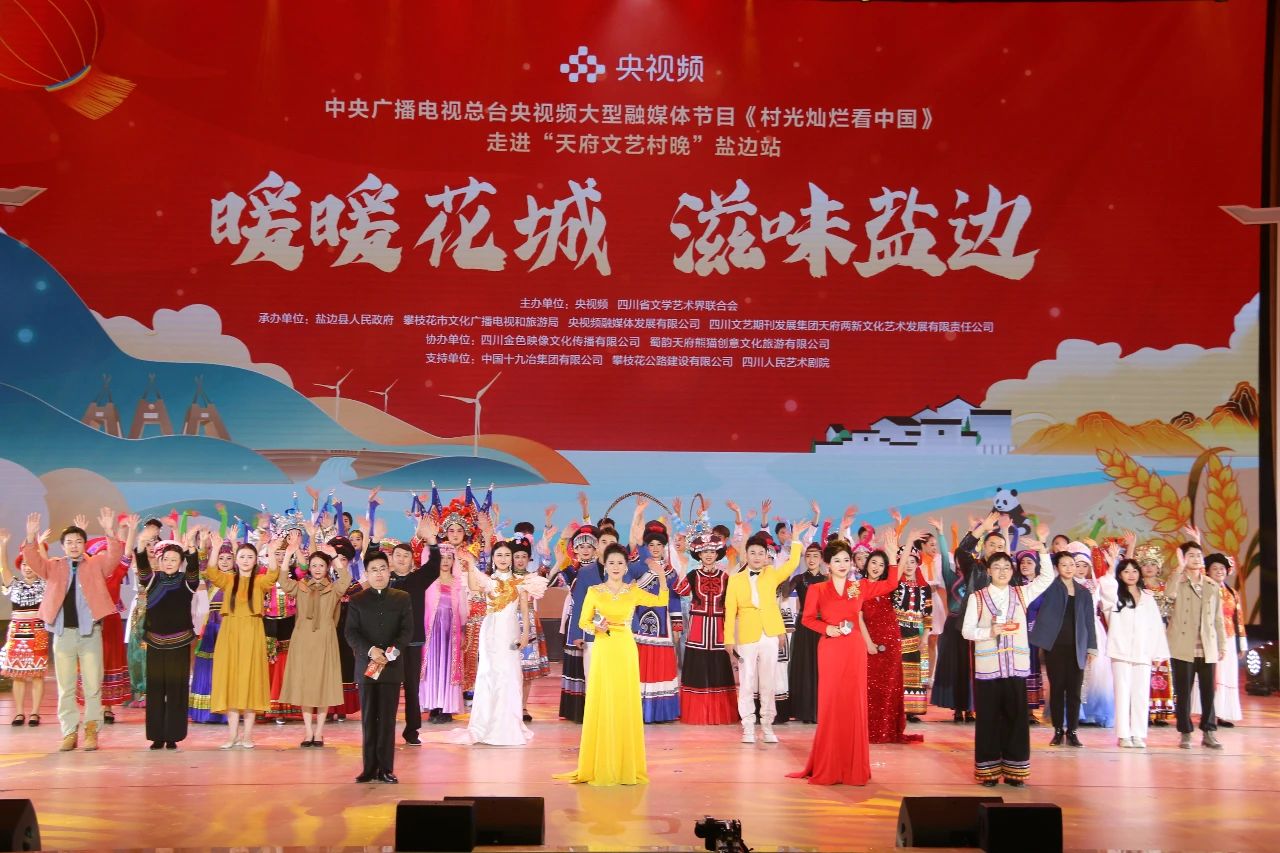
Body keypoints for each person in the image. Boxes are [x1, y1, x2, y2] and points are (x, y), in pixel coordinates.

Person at [555, 542, 673, 785]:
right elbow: (583, 622)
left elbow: (661, 600)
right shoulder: (595, 591)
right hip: (603, 647)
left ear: (626, 566)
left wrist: (661, 576)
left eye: (620, 562)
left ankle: (625, 763)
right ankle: (601, 760)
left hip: (626, 647)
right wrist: (596, 627)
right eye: (611, 563)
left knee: (624, 699)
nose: (616, 566)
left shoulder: (632, 591)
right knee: (604, 698)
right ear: (605, 566)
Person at [788, 536, 901, 786]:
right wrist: (827, 629)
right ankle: (829, 764)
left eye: (846, 560)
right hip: (830, 648)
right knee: (831, 703)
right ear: (828, 564)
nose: (842, 564)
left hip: (854, 649)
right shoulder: (818, 589)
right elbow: (807, 619)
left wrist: (893, 557)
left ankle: (853, 766)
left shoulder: (857, 587)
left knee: (853, 704)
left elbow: (891, 583)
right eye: (837, 560)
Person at [21, 508, 123, 752]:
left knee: (92, 686)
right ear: (63, 546)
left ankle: (91, 730)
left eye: (78, 541)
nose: (74, 545)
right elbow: (33, 561)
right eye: (69, 542)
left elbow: (114, 557)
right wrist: (31, 537)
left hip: (90, 634)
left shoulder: (96, 564)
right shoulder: (54, 566)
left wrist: (109, 531)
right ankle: (69, 732)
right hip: (63, 634)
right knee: (65, 687)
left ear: (84, 544)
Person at [962, 548, 1055, 786]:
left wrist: (1043, 549)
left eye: (1006, 567)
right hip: (989, 668)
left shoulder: (1022, 593)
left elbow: (1047, 578)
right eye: (997, 567)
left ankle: (1016, 771)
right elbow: (967, 631)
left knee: (1017, 719)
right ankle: (989, 771)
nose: (1002, 572)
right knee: (988, 720)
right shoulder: (977, 598)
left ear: (1012, 571)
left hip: (1015, 667)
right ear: (988, 571)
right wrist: (989, 631)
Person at [724, 523, 808, 744]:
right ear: (746, 555)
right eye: (753, 552)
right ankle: (748, 726)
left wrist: (795, 538)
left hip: (770, 633)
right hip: (746, 634)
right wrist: (728, 640)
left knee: (768, 681)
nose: (757, 556)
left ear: (766, 556)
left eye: (761, 553)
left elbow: (792, 564)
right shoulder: (735, 579)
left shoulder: (771, 574)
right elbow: (730, 610)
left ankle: (768, 725)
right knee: (747, 681)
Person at [456, 541, 545, 746]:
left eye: (506, 555)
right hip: (490, 632)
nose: (503, 559)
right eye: (499, 555)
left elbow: (524, 609)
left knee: (510, 675)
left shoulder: (520, 581)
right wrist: (471, 565)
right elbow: (473, 587)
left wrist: (525, 634)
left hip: (510, 632)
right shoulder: (488, 580)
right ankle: (485, 725)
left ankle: (508, 725)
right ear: (493, 558)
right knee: (489, 674)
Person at [203, 541, 279, 749]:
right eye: (242, 557)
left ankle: (247, 736)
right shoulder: (228, 579)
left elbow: (273, 574)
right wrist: (215, 548)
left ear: (255, 561)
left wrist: (272, 551)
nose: (246, 561)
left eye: (250, 557)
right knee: (230, 680)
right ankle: (232, 735)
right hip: (230, 632)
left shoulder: (260, 581)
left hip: (252, 632)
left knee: (251, 679)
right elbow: (212, 572)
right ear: (236, 560)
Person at [345, 551, 413, 783]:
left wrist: (392, 652)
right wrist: (371, 650)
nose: (379, 574)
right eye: (374, 570)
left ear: (389, 570)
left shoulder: (402, 598)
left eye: (383, 568)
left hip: (391, 667)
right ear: (367, 573)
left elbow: (407, 630)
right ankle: (368, 768)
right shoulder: (357, 600)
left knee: (387, 720)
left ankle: (385, 768)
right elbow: (351, 633)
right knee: (368, 719)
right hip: (367, 667)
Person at [278, 548, 352, 747]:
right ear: (309, 568)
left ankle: (319, 732)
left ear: (327, 568)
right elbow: (283, 581)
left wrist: (335, 557)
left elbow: (346, 580)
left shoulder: (333, 588)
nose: (317, 569)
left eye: (321, 565)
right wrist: (288, 555)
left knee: (323, 683)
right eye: (314, 565)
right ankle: (308, 732)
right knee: (305, 683)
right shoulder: (301, 587)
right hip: (302, 639)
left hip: (325, 639)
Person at [932, 512, 1002, 722]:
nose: (995, 549)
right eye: (991, 545)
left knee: (981, 668)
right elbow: (962, 550)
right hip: (961, 625)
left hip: (989, 627)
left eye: (999, 546)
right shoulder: (972, 570)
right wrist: (981, 529)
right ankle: (960, 707)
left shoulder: (1004, 573)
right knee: (960, 667)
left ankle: (977, 707)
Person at [672, 515, 738, 725]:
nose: (708, 555)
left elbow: (731, 603)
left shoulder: (725, 577)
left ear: (717, 554)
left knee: (719, 668)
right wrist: (684, 567)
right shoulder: (693, 575)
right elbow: (679, 590)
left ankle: (719, 713)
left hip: (718, 628)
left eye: (712, 551)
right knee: (698, 668)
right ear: (699, 555)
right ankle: (698, 713)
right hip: (698, 629)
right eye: (704, 552)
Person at [136, 535, 201, 749]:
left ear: (181, 562)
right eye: (166, 559)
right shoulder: (152, 579)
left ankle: (173, 735)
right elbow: (142, 566)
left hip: (179, 642)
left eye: (174, 559)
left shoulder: (187, 582)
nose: (169, 563)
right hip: (155, 642)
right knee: (156, 689)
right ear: (160, 561)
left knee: (176, 690)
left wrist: (191, 550)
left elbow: (194, 570)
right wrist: (141, 544)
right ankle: (156, 736)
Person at [1029, 547, 1097, 748]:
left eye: (1072, 565)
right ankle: (1058, 731)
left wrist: (1092, 647)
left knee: (1074, 691)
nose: (1069, 568)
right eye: (1064, 564)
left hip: (1077, 647)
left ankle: (1073, 732)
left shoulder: (1084, 592)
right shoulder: (1050, 587)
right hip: (1055, 647)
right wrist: (1043, 548)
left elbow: (1089, 621)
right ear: (1057, 567)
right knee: (1057, 689)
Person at [1101, 557, 1170, 749]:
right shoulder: (1115, 596)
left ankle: (1138, 734)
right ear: (1120, 575)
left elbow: (1156, 626)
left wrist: (1158, 654)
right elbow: (1106, 588)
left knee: (1140, 694)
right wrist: (1111, 566)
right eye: (1126, 571)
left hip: (1143, 652)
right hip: (1120, 652)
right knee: (1122, 693)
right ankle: (1123, 735)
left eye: (1134, 571)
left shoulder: (1148, 598)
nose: (1131, 575)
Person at [1165, 537, 1226, 749]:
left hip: (1207, 646)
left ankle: (1209, 731)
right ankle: (1185, 732)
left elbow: (1218, 618)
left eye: (1199, 555)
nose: (1196, 558)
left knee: (1209, 692)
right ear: (1183, 558)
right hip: (1182, 645)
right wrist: (1179, 569)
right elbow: (1168, 595)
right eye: (1191, 555)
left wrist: (1222, 645)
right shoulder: (1178, 581)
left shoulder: (1211, 585)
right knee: (1184, 692)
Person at [863, 544, 924, 744]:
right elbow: (857, 617)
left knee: (890, 687)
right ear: (866, 564)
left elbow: (897, 569)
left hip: (892, 642)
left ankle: (886, 730)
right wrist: (868, 643)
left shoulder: (888, 586)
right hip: (869, 643)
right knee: (869, 687)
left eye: (881, 565)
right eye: (873, 562)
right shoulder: (857, 586)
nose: (876, 567)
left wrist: (908, 543)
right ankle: (868, 729)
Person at [386, 540, 437, 745]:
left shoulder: (418, 579)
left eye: (406, 556)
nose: (401, 559)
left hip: (412, 642)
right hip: (388, 643)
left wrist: (432, 542)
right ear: (391, 558)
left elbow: (434, 565)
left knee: (411, 687)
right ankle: (386, 729)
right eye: (398, 555)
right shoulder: (384, 579)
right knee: (387, 687)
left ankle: (412, 731)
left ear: (412, 560)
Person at [0, 530, 48, 727]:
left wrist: (41, 547)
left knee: (37, 674)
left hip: (37, 632)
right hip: (17, 634)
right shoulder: (14, 584)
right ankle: (19, 712)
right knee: (17, 675)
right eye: (24, 564)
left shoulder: (44, 584)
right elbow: (3, 567)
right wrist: (3, 545)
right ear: (20, 567)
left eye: (31, 564)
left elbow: (46, 566)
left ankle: (35, 712)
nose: (28, 568)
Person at [1193, 554, 1246, 728]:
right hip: (1208, 637)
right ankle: (1208, 712)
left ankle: (1223, 713)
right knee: (1210, 675)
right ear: (1207, 571)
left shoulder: (1232, 593)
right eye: (1214, 568)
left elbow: (1238, 618)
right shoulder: (1203, 589)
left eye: (1222, 568)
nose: (1219, 571)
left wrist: (1242, 644)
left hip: (1228, 638)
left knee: (1226, 674)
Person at [559, 525, 604, 722]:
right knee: (577, 663)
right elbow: (552, 580)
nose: (585, 550)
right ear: (575, 549)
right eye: (581, 546)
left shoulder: (601, 569)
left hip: (597, 619)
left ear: (596, 549)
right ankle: (576, 710)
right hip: (575, 618)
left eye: (589, 546)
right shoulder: (571, 570)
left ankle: (595, 707)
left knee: (594, 664)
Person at [420, 544, 466, 724]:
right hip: (431, 630)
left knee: (448, 666)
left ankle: (446, 708)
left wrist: (463, 631)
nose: (445, 561)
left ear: (454, 561)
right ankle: (433, 705)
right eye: (442, 557)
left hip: (451, 631)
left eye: (449, 558)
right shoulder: (428, 580)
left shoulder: (458, 582)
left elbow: (462, 610)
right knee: (433, 665)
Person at [191, 539, 232, 725]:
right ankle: (206, 711)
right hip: (210, 628)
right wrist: (206, 546)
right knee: (207, 667)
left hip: (229, 627)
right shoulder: (210, 577)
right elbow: (202, 562)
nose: (224, 562)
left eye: (229, 558)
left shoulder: (238, 579)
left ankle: (227, 711)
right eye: (221, 558)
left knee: (227, 667)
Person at [892, 542, 933, 723]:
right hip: (896, 631)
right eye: (905, 561)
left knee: (915, 672)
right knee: (897, 671)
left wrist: (925, 636)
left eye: (912, 561)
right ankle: (895, 708)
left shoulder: (925, 588)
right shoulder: (895, 585)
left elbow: (928, 615)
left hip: (916, 632)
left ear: (917, 563)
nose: (909, 565)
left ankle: (912, 710)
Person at [786, 541, 826, 724]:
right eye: (808, 556)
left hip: (823, 626)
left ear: (822, 559)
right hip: (804, 626)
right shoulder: (799, 578)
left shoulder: (827, 579)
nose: (811, 559)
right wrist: (786, 570)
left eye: (815, 556)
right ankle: (803, 710)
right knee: (804, 666)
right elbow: (784, 593)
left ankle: (821, 709)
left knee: (821, 666)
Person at [1136, 545, 1175, 727]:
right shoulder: (1136, 587)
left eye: (1153, 564)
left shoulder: (1164, 587)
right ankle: (1142, 710)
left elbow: (1171, 611)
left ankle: (1160, 711)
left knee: (1161, 669)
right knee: (1143, 671)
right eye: (1145, 564)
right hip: (1141, 634)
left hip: (1161, 633)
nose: (1149, 567)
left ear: (1159, 567)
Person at [1014, 550, 1046, 724]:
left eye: (1029, 562)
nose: (1025, 565)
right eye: (1022, 562)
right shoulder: (1015, 584)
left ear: (1037, 565)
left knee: (1032, 667)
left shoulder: (1042, 585)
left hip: (1035, 633)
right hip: (1017, 633)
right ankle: (1016, 709)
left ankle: (1030, 710)